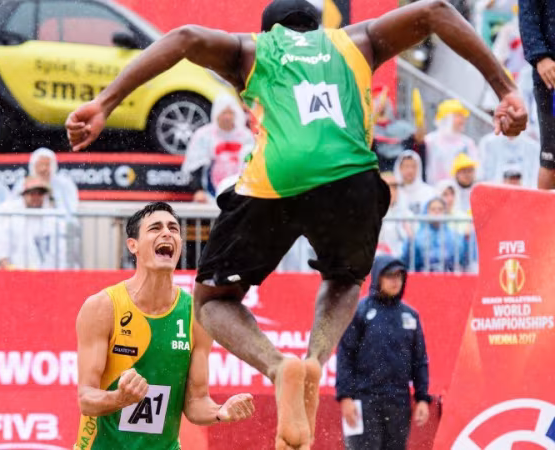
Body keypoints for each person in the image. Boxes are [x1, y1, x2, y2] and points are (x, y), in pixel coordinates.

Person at [64, 0, 526, 447]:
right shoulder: (357, 40)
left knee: (211, 300)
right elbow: (436, 11)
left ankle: (277, 365)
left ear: (269, 31)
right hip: (353, 178)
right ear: (317, 25)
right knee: (345, 280)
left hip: (277, 179)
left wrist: (105, 102)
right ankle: (313, 359)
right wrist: (505, 89)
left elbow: (183, 38)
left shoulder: (252, 50)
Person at [74, 202, 254, 449]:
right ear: (133, 245)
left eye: (173, 228)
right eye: (155, 228)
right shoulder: (103, 307)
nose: (167, 233)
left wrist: (220, 411)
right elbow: (86, 398)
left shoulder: (196, 314)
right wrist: (120, 398)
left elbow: (196, 402)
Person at [336, 256, 431, 450]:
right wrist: (345, 397)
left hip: (398, 402)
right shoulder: (359, 311)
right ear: (378, 277)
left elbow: (419, 361)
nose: (395, 281)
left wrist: (422, 398)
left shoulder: (410, 316)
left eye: (399, 275)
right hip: (364, 401)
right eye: (389, 276)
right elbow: (345, 355)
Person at [182, 94, 255, 202]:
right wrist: (198, 190)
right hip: (210, 194)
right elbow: (195, 165)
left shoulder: (246, 136)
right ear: (216, 114)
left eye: (230, 113)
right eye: (224, 113)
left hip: (240, 193)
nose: (227, 117)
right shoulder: (204, 135)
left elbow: (252, 164)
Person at [0, 177, 74, 270]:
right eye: (32, 193)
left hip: (48, 276)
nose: (36, 197)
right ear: (24, 195)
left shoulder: (54, 220)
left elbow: (62, 254)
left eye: (40, 194)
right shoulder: (11, 217)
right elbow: (2, 254)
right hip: (18, 275)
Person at [518, 0, 555, 189]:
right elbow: (528, 15)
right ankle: (541, 218)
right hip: (551, 75)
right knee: (551, 158)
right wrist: (540, 57)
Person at [402, 198, 468, 273]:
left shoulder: (454, 236)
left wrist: (466, 239)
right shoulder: (418, 236)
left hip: (448, 278)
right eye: (433, 209)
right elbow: (408, 261)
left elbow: (462, 259)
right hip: (424, 278)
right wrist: (410, 241)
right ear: (426, 212)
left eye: (440, 209)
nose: (437, 212)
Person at [424, 99, 479, 185]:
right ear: (447, 118)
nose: (463, 120)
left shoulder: (467, 143)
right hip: (434, 191)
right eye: (459, 116)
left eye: (463, 116)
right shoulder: (429, 141)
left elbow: (476, 172)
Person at [28, 148, 79, 214]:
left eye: (47, 164)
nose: (43, 169)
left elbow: (71, 208)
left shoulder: (64, 183)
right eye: (40, 164)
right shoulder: (24, 184)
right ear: (33, 166)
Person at [376, 172, 413, 258]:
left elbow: (413, 244)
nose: (391, 191)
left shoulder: (406, 214)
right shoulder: (371, 213)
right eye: (387, 186)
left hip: (400, 263)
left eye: (394, 187)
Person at [393, 151, 435, 215]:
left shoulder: (429, 192)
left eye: (413, 166)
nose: (410, 170)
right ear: (399, 168)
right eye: (406, 166)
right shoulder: (393, 192)